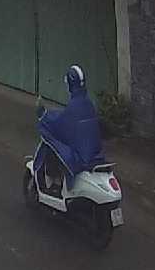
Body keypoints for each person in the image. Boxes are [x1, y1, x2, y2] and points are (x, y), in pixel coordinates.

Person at [35, 65, 105, 195]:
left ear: (70, 84)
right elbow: (67, 118)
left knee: (53, 144)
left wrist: (44, 115)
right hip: (94, 152)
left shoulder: (74, 106)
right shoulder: (88, 103)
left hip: (80, 155)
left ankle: (55, 182)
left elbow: (59, 124)